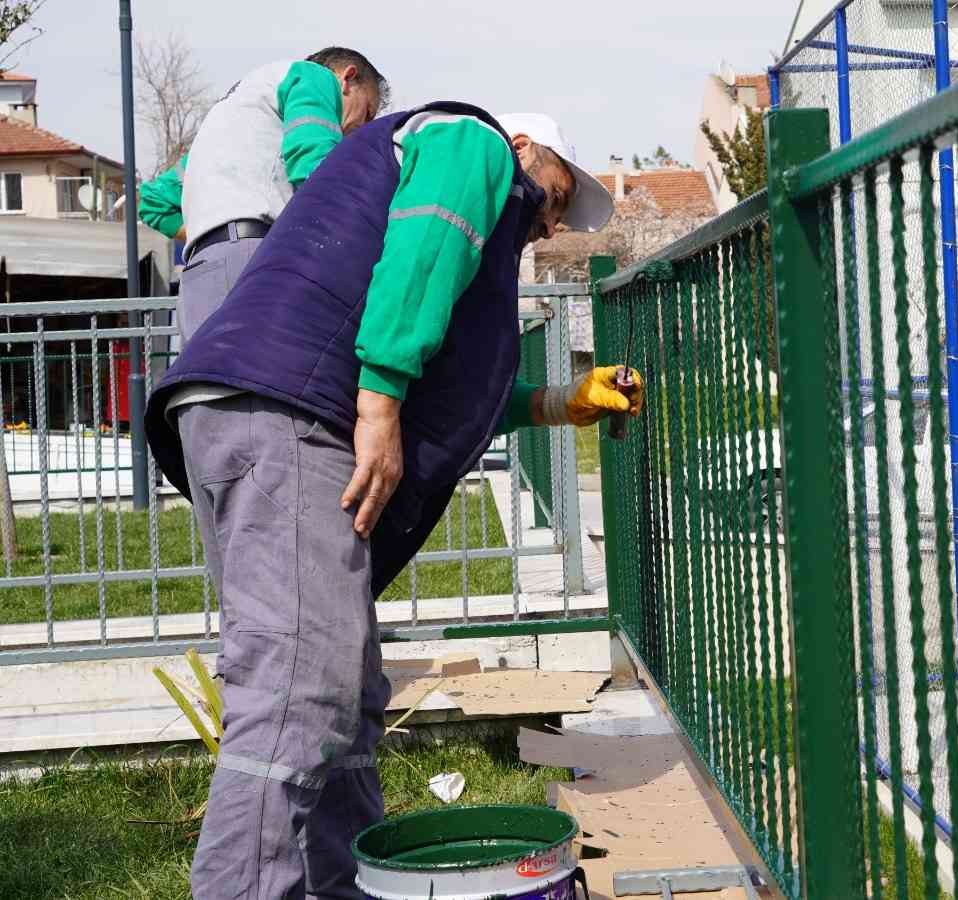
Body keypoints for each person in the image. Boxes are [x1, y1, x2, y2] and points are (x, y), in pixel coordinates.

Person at [144, 104, 638, 900]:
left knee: (340, 684)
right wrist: (377, 405)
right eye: (554, 195)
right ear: (523, 147)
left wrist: (558, 401)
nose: (552, 223)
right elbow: (421, 253)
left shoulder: (461, 206)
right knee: (298, 695)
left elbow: (452, 385)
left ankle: (341, 886)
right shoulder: (469, 143)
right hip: (291, 414)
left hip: (254, 406)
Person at [137, 47, 388, 339]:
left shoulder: (235, 120)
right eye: (367, 112)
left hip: (201, 273)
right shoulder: (315, 77)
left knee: (208, 383)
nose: (361, 129)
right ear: (348, 78)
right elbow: (317, 170)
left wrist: (215, 230)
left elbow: (153, 202)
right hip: (254, 258)